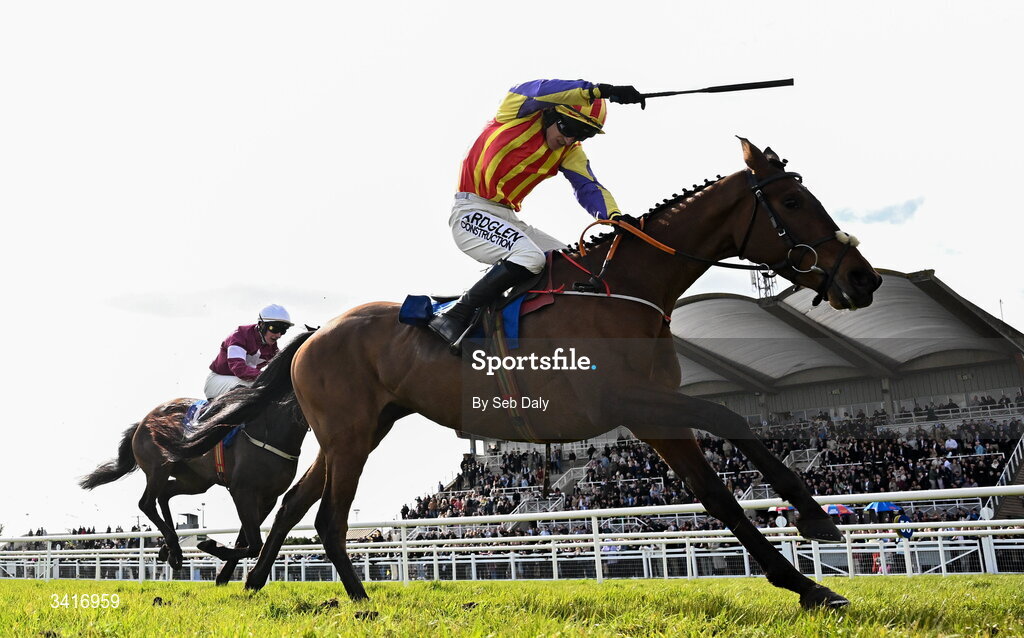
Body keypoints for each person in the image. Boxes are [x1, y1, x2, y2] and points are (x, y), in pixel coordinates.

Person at [428, 78, 646, 353]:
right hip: (470, 212)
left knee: (573, 264)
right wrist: (600, 90)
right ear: (552, 113)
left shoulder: (570, 152)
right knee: (530, 258)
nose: (569, 139)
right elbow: (537, 90)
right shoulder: (516, 112)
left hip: (508, 218)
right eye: (569, 128)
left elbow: (589, 187)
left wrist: (614, 217)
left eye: (582, 134)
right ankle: (456, 315)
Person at [204, 304, 293, 399]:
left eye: (283, 330)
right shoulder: (239, 336)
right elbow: (240, 369)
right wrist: (268, 376)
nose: (279, 335)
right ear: (261, 324)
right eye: (274, 329)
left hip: (242, 382)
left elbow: (283, 367)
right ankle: (201, 411)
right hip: (216, 381)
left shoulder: (272, 347)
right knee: (253, 387)